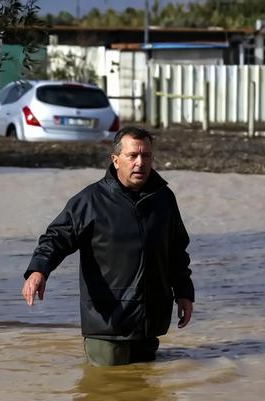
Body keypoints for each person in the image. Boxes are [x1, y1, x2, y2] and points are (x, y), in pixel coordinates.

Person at [21, 126, 194, 366]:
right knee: (103, 394)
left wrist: (184, 293)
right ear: (115, 160)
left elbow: (176, 252)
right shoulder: (91, 200)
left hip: (149, 324)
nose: (140, 163)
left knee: (147, 396)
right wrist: (39, 270)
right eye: (132, 155)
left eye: (146, 156)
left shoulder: (163, 199)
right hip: (107, 327)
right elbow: (56, 238)